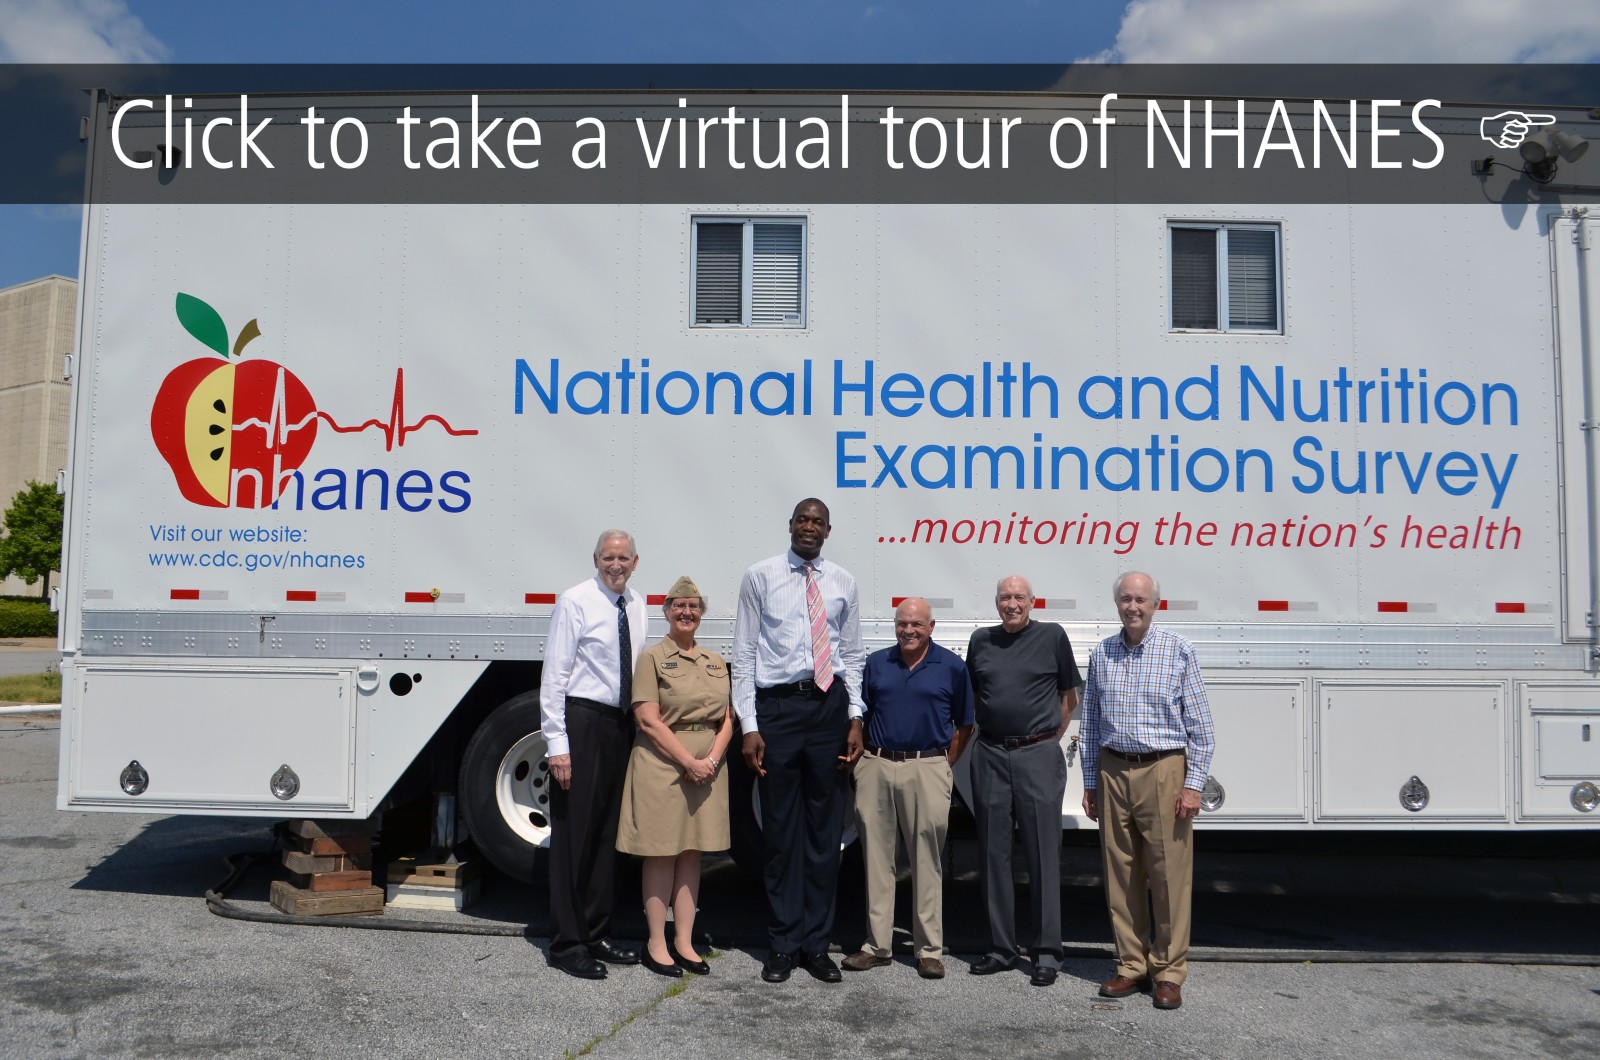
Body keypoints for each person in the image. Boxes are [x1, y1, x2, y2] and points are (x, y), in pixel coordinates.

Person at [733, 497, 866, 984]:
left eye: (818, 522)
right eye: (802, 520)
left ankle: (816, 946)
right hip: (779, 711)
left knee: (824, 836)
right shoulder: (760, 576)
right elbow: (744, 653)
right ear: (790, 525)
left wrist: (855, 717)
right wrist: (750, 725)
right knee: (781, 834)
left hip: (828, 709)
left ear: (828, 531)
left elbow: (852, 654)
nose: (809, 527)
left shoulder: (843, 581)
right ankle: (783, 945)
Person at [1080, 571, 1216, 1011]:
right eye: (1126, 599)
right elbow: (1091, 723)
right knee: (1120, 874)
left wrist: (1193, 786)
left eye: (1141, 599)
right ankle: (1131, 965)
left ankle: (1169, 972)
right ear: (1117, 604)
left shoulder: (1178, 650)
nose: (1132, 607)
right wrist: (1090, 782)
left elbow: (1202, 729)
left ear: (1155, 605)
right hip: (1113, 769)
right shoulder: (1102, 653)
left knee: (1168, 875)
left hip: (1163, 769)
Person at [842, 597, 974, 980]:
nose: (909, 630)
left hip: (927, 765)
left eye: (916, 624)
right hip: (878, 765)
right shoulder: (877, 663)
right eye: (902, 624)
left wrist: (942, 764)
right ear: (895, 626)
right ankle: (876, 946)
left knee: (926, 860)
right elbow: (860, 714)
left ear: (931, 627)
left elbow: (965, 724)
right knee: (876, 859)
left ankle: (928, 950)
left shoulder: (951, 666)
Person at [539, 530, 647, 980]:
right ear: (596, 559)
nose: (615, 565)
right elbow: (554, 676)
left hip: (620, 726)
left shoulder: (636, 604)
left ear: (635, 562)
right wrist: (558, 746)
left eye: (623, 558)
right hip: (582, 722)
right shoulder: (575, 601)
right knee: (574, 837)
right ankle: (566, 943)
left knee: (607, 836)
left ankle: (597, 931)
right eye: (608, 557)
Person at [965, 575, 1082, 987]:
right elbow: (974, 696)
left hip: (1038, 754)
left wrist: (1046, 737)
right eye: (1005, 597)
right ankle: (1001, 948)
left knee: (1043, 855)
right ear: (996, 602)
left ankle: (1047, 952)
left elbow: (1070, 697)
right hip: (990, 754)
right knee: (992, 854)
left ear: (1033, 602)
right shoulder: (981, 640)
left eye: (1019, 597)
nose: (1011, 604)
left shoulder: (1052, 637)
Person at [617, 576, 735, 979]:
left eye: (693, 607)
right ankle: (656, 942)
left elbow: (727, 719)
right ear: (667, 612)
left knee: (692, 852)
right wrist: (689, 761)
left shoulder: (715, 661)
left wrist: (712, 759)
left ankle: (684, 941)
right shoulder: (651, 658)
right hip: (663, 765)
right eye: (679, 606)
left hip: (707, 768)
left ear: (701, 613)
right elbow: (648, 720)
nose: (687, 612)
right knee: (661, 852)